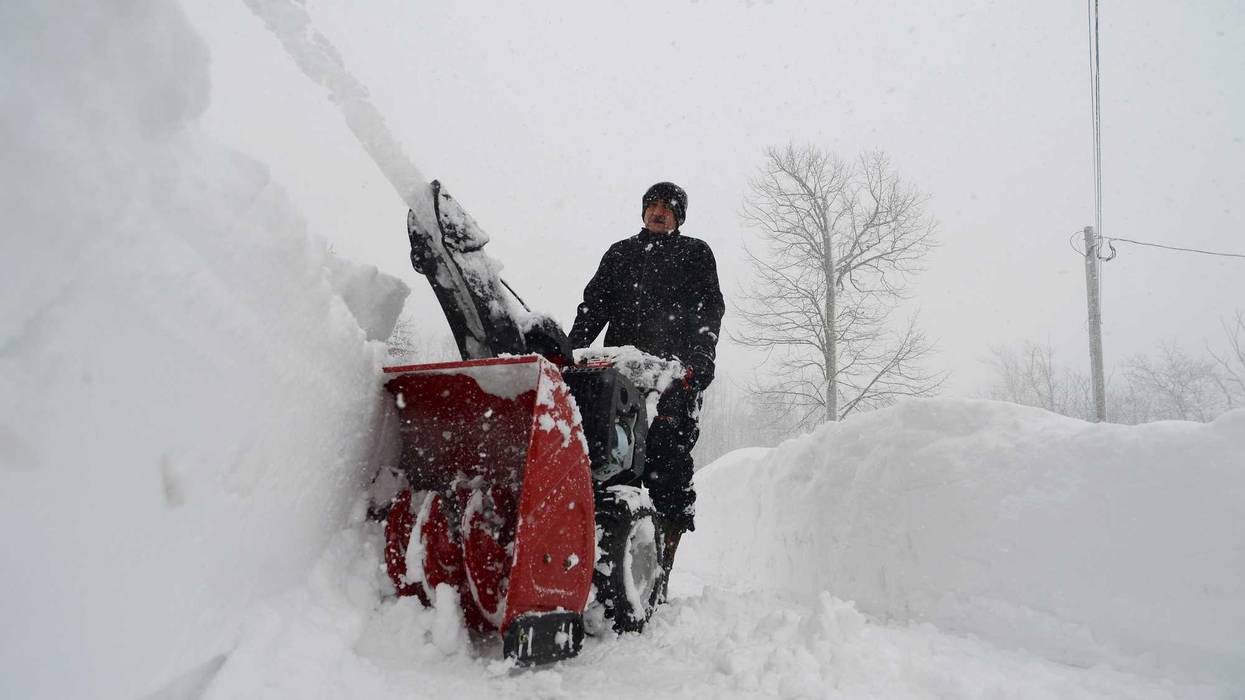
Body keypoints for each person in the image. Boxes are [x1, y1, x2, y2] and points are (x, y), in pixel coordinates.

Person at [569, 182, 725, 582]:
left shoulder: (695, 254)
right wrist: (568, 352)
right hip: (616, 377)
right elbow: (593, 306)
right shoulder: (621, 253)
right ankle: (598, 560)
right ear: (642, 212)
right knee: (604, 465)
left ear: (679, 217)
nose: (658, 211)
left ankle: (661, 570)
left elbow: (709, 311)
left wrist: (698, 364)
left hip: (673, 379)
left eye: (667, 207)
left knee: (667, 469)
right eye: (652, 205)